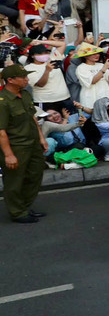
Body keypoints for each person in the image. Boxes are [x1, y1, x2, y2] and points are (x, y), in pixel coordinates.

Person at [0, 63, 46, 224]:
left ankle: (24, 206)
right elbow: (1, 131)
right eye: (23, 77)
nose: (27, 79)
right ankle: (17, 212)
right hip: (16, 146)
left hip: (32, 143)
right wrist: (8, 154)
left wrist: (41, 138)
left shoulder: (25, 94)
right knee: (14, 181)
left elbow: (33, 117)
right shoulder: (3, 101)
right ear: (10, 80)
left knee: (34, 175)